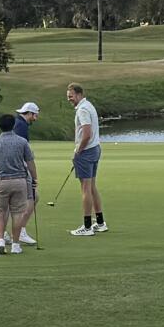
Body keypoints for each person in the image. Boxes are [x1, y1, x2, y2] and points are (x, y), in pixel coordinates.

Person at [0, 109, 36, 255]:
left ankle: (0, 240)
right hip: (19, 181)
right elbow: (30, 162)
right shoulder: (22, 142)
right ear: (13, 125)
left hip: (1, 181)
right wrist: (34, 178)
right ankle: (15, 244)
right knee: (17, 214)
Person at [66, 82, 106, 235]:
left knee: (85, 189)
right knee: (91, 187)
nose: (69, 99)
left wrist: (78, 151)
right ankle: (100, 223)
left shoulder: (82, 109)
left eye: (71, 96)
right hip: (95, 149)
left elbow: (87, 134)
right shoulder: (89, 105)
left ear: (78, 94)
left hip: (87, 151)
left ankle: (87, 227)